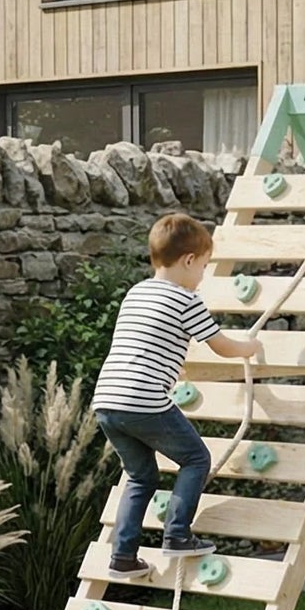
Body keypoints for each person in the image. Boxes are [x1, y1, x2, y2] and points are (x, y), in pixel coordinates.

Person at [92, 212, 260, 581]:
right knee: (196, 458)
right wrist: (249, 347)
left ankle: (122, 557)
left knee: (140, 477)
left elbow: (146, 343)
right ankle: (178, 534)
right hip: (144, 401)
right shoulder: (186, 300)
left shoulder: (137, 293)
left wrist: (172, 367)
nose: (202, 275)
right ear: (188, 261)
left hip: (107, 400)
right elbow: (221, 346)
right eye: (203, 266)